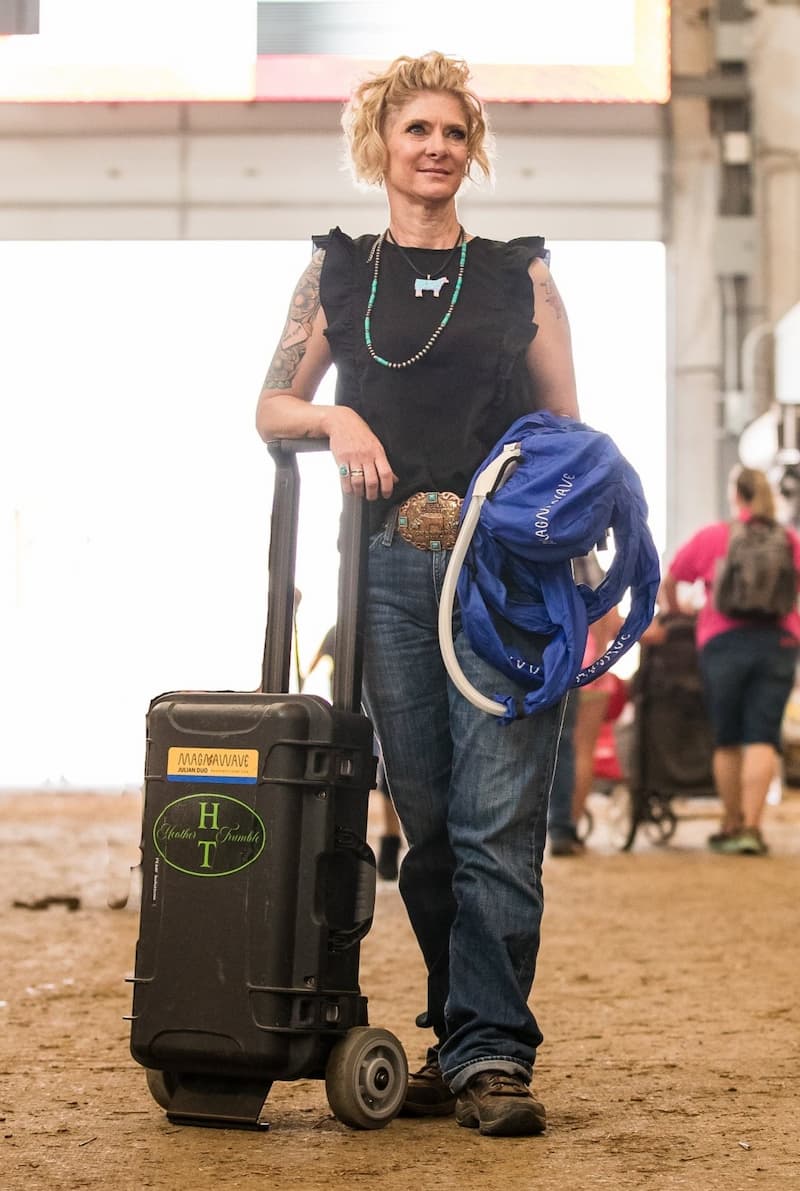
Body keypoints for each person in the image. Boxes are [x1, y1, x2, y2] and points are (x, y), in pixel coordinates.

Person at [256, 51, 579, 1137]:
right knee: (431, 826)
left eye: (452, 131)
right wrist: (336, 417)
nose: (435, 147)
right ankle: (458, 1031)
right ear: (381, 147)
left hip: (504, 568)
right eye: (416, 130)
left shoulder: (520, 276)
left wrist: (579, 568)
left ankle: (492, 1053)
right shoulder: (338, 273)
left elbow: (563, 434)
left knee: (495, 823)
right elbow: (270, 406)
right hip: (387, 567)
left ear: (470, 150)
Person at [662, 466, 800, 855]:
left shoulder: (713, 536)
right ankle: (753, 829)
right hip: (779, 641)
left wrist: (680, 613)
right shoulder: (788, 539)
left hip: (722, 643)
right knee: (762, 736)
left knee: (728, 739)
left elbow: (670, 580)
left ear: (735, 495)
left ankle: (732, 822)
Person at [305, 625, 404, 880]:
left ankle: (389, 843)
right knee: (386, 769)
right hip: (357, 713)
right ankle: (388, 842)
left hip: (360, 713)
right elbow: (314, 663)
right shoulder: (340, 631)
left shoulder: (346, 629)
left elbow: (313, 666)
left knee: (387, 769)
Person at [548, 553, 624, 856]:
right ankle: (565, 828)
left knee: (553, 745)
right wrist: (600, 659)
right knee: (579, 749)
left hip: (546, 654)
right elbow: (606, 612)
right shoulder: (583, 553)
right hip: (585, 659)